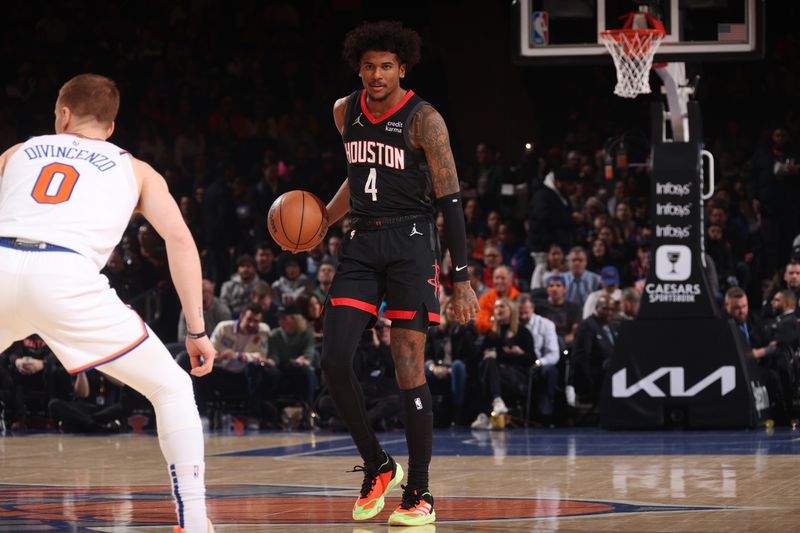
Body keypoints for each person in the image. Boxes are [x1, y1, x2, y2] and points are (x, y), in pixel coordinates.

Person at [0, 74, 215, 532]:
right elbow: (179, 239)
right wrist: (196, 330)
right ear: (111, 127)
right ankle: (194, 522)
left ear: (62, 115)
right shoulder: (135, 168)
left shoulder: (17, 152)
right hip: (66, 276)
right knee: (172, 388)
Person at [320, 21, 479, 527]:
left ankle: (421, 492)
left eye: (386, 65)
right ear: (358, 68)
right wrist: (323, 218)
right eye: (368, 65)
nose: (376, 74)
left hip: (412, 242)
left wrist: (462, 277)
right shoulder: (345, 111)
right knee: (333, 360)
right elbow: (357, 177)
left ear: (402, 68)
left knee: (407, 363)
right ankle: (377, 464)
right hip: (361, 242)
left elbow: (451, 200)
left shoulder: (424, 119)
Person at [471, 297, 536, 430]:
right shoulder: (491, 334)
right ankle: (496, 401)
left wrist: (520, 353)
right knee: (487, 363)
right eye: (496, 307)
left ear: (511, 310)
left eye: (502, 307)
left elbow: (532, 360)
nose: (498, 310)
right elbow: (478, 358)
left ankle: (485, 412)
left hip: (516, 375)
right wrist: (485, 355)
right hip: (496, 375)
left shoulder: (522, 332)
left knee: (488, 369)